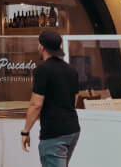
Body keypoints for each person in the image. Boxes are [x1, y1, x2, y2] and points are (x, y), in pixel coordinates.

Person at [21, 30, 80, 167]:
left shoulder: (42, 70)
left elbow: (36, 104)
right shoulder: (72, 70)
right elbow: (75, 99)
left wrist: (25, 131)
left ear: (42, 47)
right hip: (72, 130)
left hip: (54, 133)